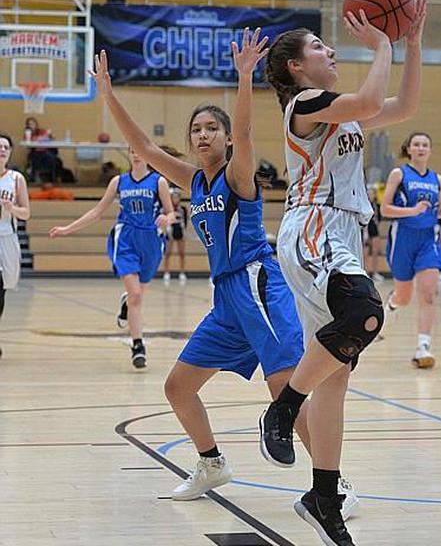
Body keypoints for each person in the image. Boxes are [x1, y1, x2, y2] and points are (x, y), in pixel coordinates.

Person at [86, 32, 365, 514]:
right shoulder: (191, 179)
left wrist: (241, 79)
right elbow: (143, 146)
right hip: (226, 298)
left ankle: (333, 486)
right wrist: (107, 94)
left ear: (226, 138)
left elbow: (248, 131)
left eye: (211, 129)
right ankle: (212, 463)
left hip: (259, 283)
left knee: (284, 389)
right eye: (196, 130)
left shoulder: (239, 174)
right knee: (177, 386)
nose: (202, 136)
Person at [258, 0, 427, 546]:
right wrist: (382, 43)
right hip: (314, 226)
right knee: (365, 314)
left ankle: (323, 494)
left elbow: (400, 106)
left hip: (342, 233)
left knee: (336, 370)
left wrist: (413, 42)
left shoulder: (338, 106)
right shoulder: (304, 102)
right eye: (318, 47)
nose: (330, 50)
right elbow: (374, 96)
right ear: (295, 67)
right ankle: (284, 409)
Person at [49, 146, 173, 369]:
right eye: (132, 150)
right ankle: (138, 345)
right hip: (125, 239)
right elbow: (97, 212)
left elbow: (172, 212)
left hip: (151, 242)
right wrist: (67, 229)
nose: (136, 153)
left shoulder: (158, 182)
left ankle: (126, 303)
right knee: (136, 295)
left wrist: (167, 218)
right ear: (129, 154)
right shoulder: (118, 182)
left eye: (140, 150)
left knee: (137, 295)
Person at [380, 131, 441, 369]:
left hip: (428, 239)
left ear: (430, 150)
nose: (421, 148)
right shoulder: (399, 174)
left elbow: (434, 211)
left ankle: (423, 347)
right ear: (409, 149)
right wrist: (411, 211)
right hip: (402, 237)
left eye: (425, 145)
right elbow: (385, 209)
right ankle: (390, 307)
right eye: (416, 144)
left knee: (429, 293)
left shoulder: (437, 179)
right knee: (404, 297)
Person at [0, 134, 30, 358]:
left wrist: (11, 208)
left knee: (4, 287)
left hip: (7, 236)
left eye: (5, 147)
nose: (2, 150)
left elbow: (26, 213)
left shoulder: (16, 179)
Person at [162, 187, 189, 284]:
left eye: (177, 197)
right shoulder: (168, 209)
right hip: (170, 232)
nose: (175, 199)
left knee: (182, 253)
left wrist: (183, 231)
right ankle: (166, 272)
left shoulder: (183, 209)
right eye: (173, 197)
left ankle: (182, 272)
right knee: (168, 253)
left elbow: (185, 221)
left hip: (180, 232)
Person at [363, 184, 383, 282]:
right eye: (369, 193)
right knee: (365, 252)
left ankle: (374, 272)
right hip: (366, 231)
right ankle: (365, 271)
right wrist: (365, 234)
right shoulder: (364, 205)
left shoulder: (377, 206)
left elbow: (378, 220)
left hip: (375, 231)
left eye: (372, 193)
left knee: (375, 251)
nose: (371, 195)